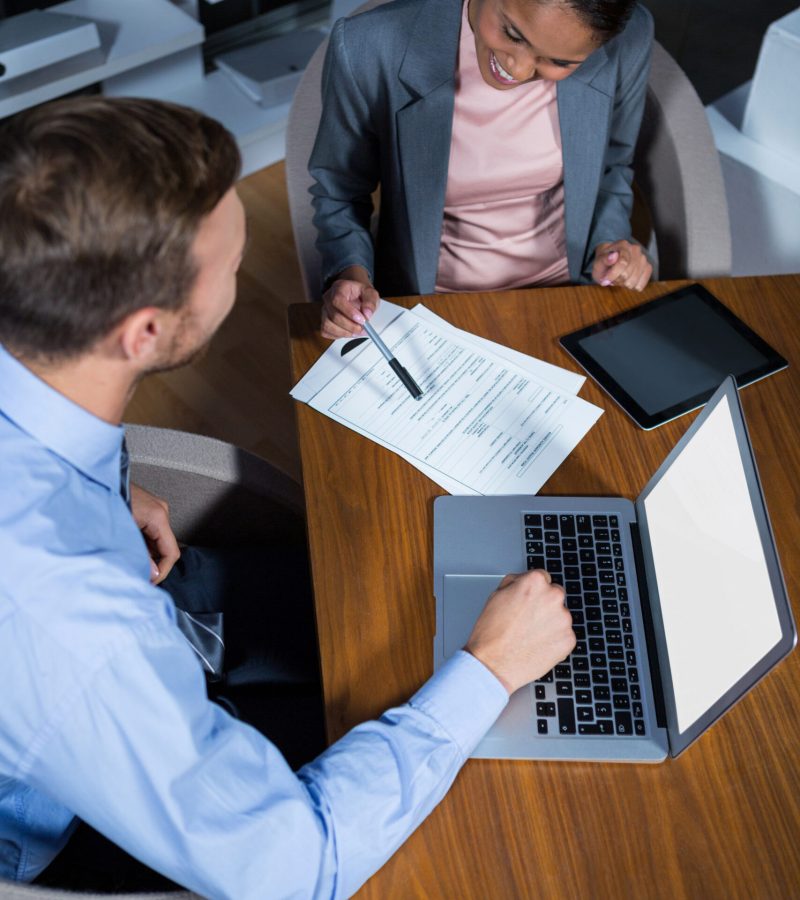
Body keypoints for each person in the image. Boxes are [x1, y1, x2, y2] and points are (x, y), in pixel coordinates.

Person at [0, 96, 576, 898]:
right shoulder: (78, 629)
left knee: (385, 595)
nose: (245, 277)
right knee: (493, 779)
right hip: (78, 819)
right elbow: (299, 868)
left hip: (131, 618)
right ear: (143, 332)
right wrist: (489, 670)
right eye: (232, 269)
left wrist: (111, 482)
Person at [309, 0, 655, 340]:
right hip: (432, 302)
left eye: (560, 61)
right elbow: (339, 190)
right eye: (512, 33)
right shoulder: (370, 44)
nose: (518, 71)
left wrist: (610, 246)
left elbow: (613, 164)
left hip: (571, 289)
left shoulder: (631, 35)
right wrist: (351, 273)